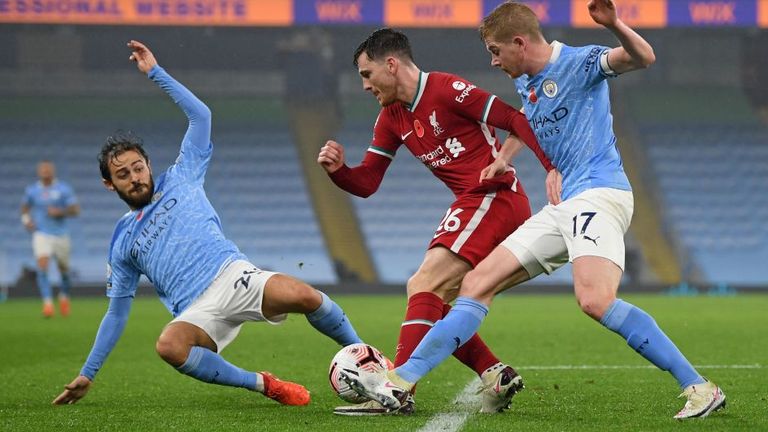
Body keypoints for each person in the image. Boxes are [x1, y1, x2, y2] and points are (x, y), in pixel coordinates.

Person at [341, 0, 726, 420]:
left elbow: (643, 57)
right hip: (561, 206)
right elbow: (526, 119)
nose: (492, 60)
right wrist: (507, 156)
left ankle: (699, 387)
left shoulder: (580, 62)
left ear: (519, 43)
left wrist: (614, 23)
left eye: (495, 50)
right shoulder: (528, 82)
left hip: (598, 193)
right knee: (475, 284)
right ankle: (404, 378)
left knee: (595, 300)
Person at [52, 40, 363, 406]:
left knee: (305, 296)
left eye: (138, 167)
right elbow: (117, 313)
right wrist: (89, 372)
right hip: (198, 311)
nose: (135, 177)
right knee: (169, 346)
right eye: (123, 174)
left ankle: (366, 357)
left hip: (233, 276)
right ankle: (263, 384)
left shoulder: (182, 175)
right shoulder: (122, 240)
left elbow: (201, 116)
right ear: (110, 184)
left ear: (148, 164)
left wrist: (155, 72)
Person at [317, 28, 559, 415]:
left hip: (494, 197)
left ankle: (396, 386)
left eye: (367, 74)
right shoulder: (391, 118)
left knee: (424, 283)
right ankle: (494, 373)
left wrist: (551, 168)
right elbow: (367, 182)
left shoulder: (447, 89)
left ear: (391, 65)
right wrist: (338, 171)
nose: (365, 86)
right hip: (474, 202)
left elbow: (515, 118)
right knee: (436, 300)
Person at [21, 160, 80, 318]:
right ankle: (47, 304)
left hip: (61, 235)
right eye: (43, 170)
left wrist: (60, 211)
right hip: (41, 234)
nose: (46, 172)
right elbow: (25, 208)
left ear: (53, 171)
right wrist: (26, 220)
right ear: (39, 172)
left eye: (48, 169)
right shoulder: (32, 190)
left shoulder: (63, 188)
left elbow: (76, 210)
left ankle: (64, 297)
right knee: (42, 265)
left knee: (64, 271)